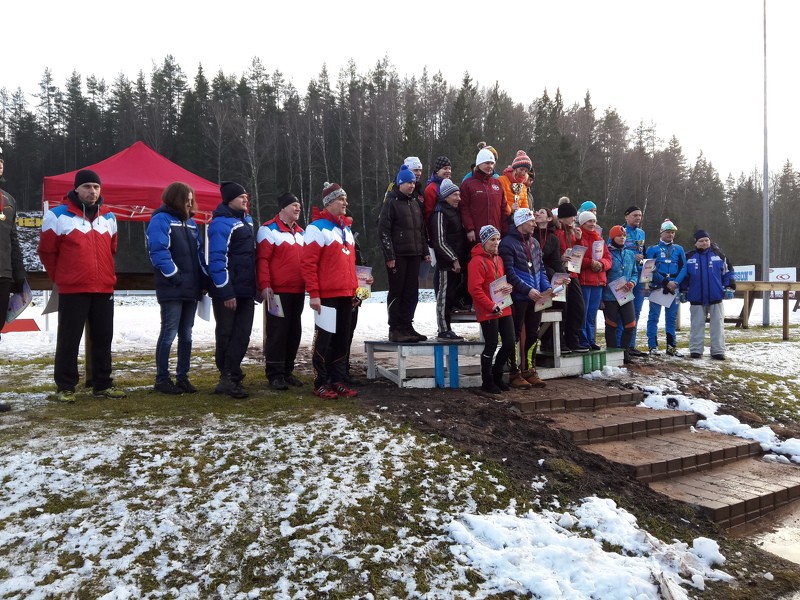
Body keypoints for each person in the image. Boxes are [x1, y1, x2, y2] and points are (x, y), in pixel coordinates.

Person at [38, 169, 126, 402]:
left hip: (103, 287)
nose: (92, 191)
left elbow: (112, 249)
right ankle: (65, 387)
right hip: (72, 288)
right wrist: (63, 277)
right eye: (87, 186)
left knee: (103, 337)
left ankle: (102, 384)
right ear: (76, 189)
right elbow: (47, 252)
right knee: (69, 338)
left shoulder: (109, 217)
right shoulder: (58, 216)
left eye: (96, 187)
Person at [146, 182, 207, 394]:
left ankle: (183, 376)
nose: (190, 203)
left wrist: (203, 279)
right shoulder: (160, 220)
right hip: (172, 287)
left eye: (192, 200)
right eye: (186, 199)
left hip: (191, 288)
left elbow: (199, 254)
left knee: (187, 334)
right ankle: (162, 379)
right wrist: (174, 275)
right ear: (175, 199)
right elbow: (158, 251)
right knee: (169, 332)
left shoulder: (191, 223)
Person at [302, 181, 359, 399]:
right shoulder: (316, 228)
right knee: (325, 339)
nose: (346, 203)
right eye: (341, 199)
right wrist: (314, 293)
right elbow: (308, 264)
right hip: (326, 294)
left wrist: (355, 290)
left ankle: (337, 380)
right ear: (329, 203)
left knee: (342, 339)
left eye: (345, 199)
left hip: (345, 294)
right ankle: (321, 382)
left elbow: (350, 264)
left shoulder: (345, 228)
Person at [208, 181, 257, 399]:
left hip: (246, 288)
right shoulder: (221, 224)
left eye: (246, 196)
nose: (245, 199)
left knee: (242, 333)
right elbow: (217, 259)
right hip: (229, 291)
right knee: (227, 333)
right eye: (240, 197)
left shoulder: (245, 221)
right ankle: (226, 376)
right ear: (229, 200)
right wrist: (226, 291)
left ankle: (232, 372)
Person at [257, 192, 305, 391]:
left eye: (299, 206)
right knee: (277, 332)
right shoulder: (268, 229)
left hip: (298, 290)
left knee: (294, 331)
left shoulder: (301, 233)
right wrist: (265, 284)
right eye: (294, 205)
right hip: (277, 291)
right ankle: (275, 373)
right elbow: (262, 260)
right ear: (283, 208)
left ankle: (287, 371)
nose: (297, 209)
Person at [499, 208, 552, 388]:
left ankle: (530, 368)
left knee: (533, 333)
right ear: (521, 222)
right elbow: (510, 273)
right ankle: (514, 372)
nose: (534, 224)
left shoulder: (535, 243)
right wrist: (527, 290)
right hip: (518, 297)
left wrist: (547, 287)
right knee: (514, 335)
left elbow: (541, 269)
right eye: (531, 221)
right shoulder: (506, 243)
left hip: (536, 297)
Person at [379, 164, 430, 343]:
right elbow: (383, 230)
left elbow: (420, 229)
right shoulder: (391, 202)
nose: (411, 185)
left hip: (414, 254)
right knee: (397, 291)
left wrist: (425, 251)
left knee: (411, 292)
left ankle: (407, 326)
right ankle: (395, 328)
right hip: (398, 256)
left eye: (413, 183)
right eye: (408, 182)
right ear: (400, 183)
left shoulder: (415, 203)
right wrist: (390, 255)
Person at [468, 225, 515, 395]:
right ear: (484, 241)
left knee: (510, 341)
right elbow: (475, 289)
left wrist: (508, 287)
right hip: (488, 309)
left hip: (503, 306)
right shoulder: (476, 261)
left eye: (497, 239)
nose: (496, 243)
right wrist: (490, 305)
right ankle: (487, 381)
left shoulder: (499, 259)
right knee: (491, 344)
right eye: (492, 240)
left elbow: (500, 282)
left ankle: (497, 374)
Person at [681, 230, 735, 360]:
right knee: (696, 324)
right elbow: (684, 276)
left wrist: (729, 286)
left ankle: (718, 350)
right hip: (696, 297)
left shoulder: (719, 255)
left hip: (715, 296)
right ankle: (695, 350)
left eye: (706, 240)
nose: (704, 243)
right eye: (701, 241)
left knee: (717, 325)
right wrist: (683, 291)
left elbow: (729, 272)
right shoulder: (689, 257)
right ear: (695, 243)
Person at [429, 178, 469, 341]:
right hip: (447, 263)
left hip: (458, 260)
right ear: (446, 196)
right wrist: (453, 259)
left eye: (459, 194)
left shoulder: (455, 211)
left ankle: (448, 327)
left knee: (452, 294)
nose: (459, 198)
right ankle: (443, 329)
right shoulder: (439, 212)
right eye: (455, 195)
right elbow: (439, 240)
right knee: (444, 296)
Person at [645, 219, 687, 356]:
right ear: (661, 233)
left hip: (674, 287)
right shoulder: (653, 249)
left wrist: (676, 283)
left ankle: (671, 346)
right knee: (654, 317)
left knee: (671, 318)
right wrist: (665, 281)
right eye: (668, 232)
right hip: (658, 286)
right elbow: (649, 267)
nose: (671, 235)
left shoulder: (679, 249)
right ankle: (652, 346)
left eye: (673, 232)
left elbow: (684, 267)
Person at [533, 206, 570, 353]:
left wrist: (564, 277)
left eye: (541, 212)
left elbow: (555, 261)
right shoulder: (531, 235)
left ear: (549, 219)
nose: (537, 214)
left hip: (550, 275)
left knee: (562, 305)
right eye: (537, 212)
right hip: (535, 276)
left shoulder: (553, 238)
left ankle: (556, 342)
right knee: (543, 308)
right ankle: (542, 340)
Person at [0, 145, 27, 345]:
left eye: (1, 161)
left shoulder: (8, 200)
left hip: (3, 274)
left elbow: (13, 239)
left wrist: (18, 273)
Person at [554, 201, 588, 353]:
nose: (574, 220)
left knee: (578, 308)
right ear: (563, 218)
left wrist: (580, 240)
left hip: (572, 274)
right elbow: (553, 252)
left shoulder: (573, 232)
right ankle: (558, 342)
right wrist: (560, 258)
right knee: (563, 309)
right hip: (560, 274)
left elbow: (577, 254)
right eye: (572, 217)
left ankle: (572, 340)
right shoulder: (557, 232)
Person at [603, 225, 639, 364]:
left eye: (624, 236)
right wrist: (601, 297)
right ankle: (612, 354)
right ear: (612, 237)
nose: (622, 238)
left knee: (630, 324)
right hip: (610, 295)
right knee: (611, 325)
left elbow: (635, 273)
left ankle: (625, 353)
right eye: (619, 236)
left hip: (626, 295)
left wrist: (633, 283)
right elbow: (603, 274)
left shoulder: (629, 254)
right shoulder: (607, 253)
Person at [577, 210, 611, 350]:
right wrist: (590, 263)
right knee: (583, 313)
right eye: (589, 221)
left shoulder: (599, 239)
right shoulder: (579, 237)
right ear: (582, 223)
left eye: (594, 221)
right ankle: (583, 340)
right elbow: (576, 257)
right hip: (585, 281)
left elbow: (609, 259)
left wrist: (602, 264)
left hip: (598, 282)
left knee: (592, 314)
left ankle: (591, 340)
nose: (592, 224)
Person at [460, 145, 505, 244]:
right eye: (487, 163)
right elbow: (464, 208)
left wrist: (505, 230)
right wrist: (469, 228)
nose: (490, 166)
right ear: (479, 163)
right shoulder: (467, 184)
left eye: (492, 163)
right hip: (477, 235)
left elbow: (503, 208)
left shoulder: (497, 183)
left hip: (496, 236)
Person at [619, 206, 647, 357]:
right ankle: (619, 345)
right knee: (622, 311)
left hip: (640, 276)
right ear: (626, 216)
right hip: (625, 276)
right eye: (635, 215)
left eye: (640, 215)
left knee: (636, 311)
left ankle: (631, 345)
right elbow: (614, 250)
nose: (638, 218)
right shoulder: (619, 231)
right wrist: (631, 255)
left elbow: (643, 251)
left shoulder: (641, 233)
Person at [497, 151, 533, 223]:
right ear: (515, 168)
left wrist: (523, 214)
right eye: (521, 169)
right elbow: (498, 202)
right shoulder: (501, 180)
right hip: (501, 219)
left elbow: (525, 207)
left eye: (526, 171)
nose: (523, 173)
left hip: (517, 222)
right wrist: (511, 210)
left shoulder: (523, 187)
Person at [422, 155, 452, 227]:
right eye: (445, 168)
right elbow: (428, 213)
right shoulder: (431, 188)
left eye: (449, 168)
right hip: (437, 226)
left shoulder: (451, 184)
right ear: (437, 171)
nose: (448, 171)